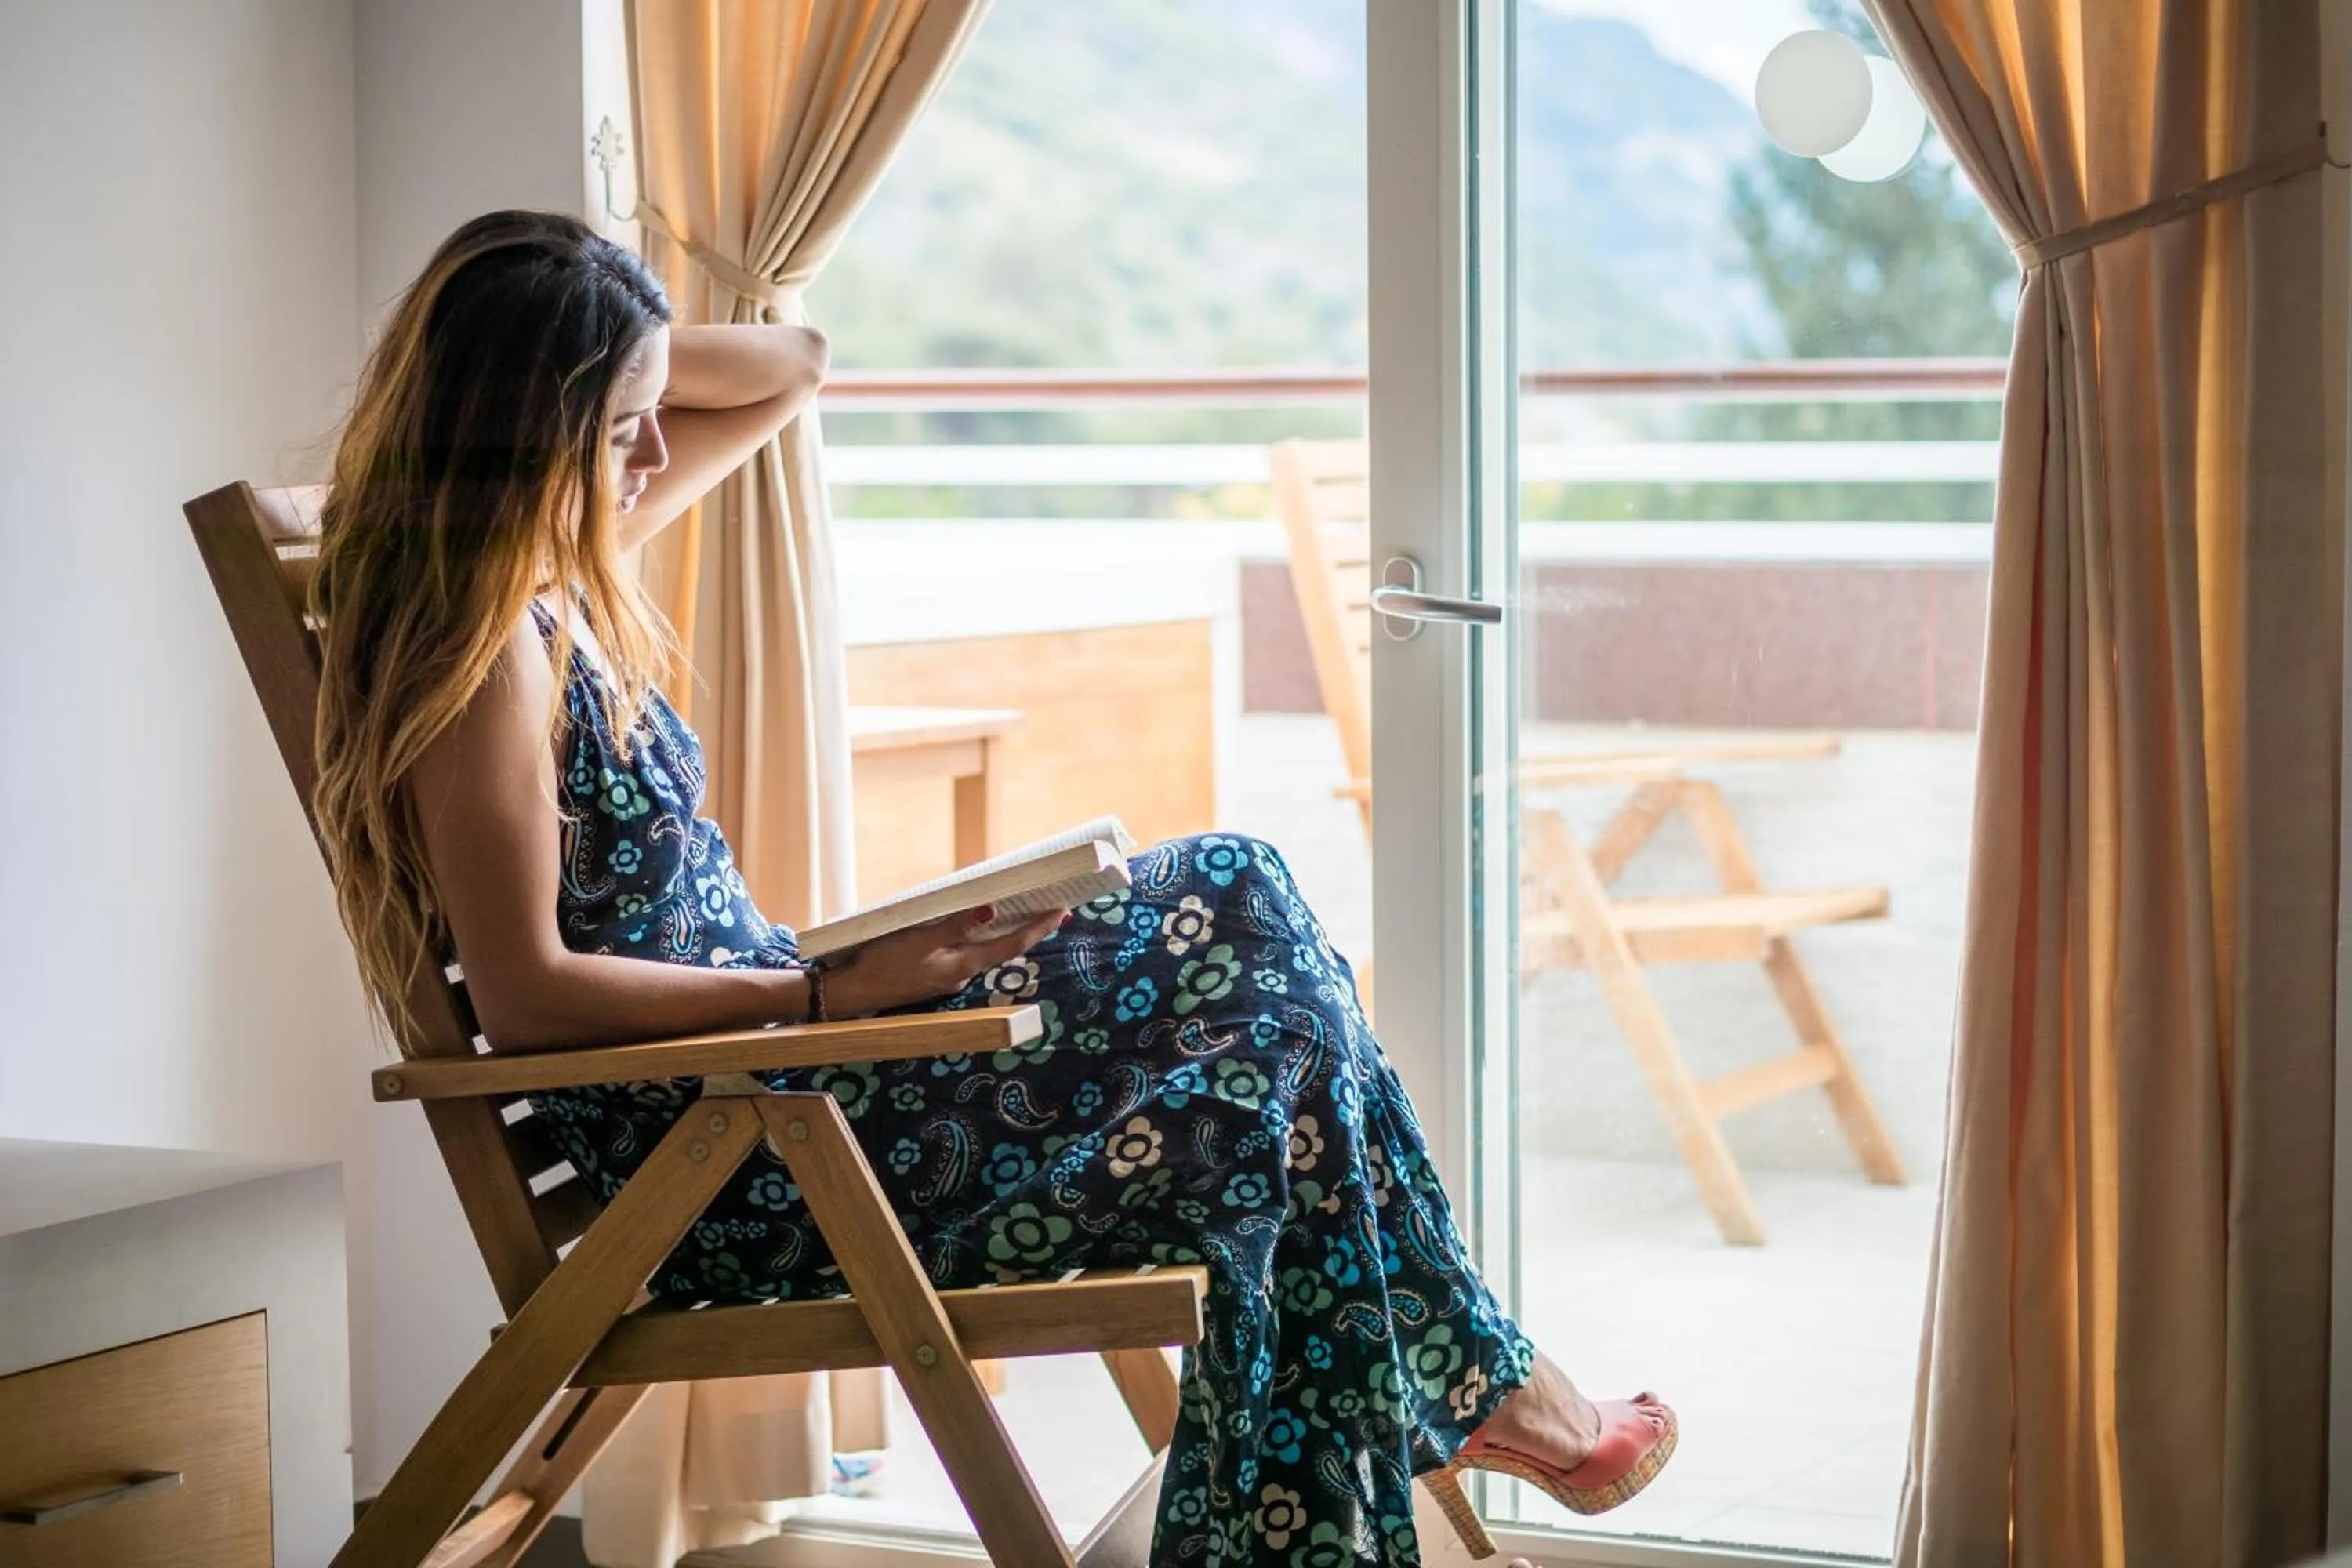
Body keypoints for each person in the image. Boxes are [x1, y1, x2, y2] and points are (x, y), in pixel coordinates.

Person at [310, 209, 1674, 1567]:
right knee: (1267, 1099)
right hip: (741, 1155)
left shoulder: (550, 561)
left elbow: (795, 361)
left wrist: (623, 333)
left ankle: (1457, 1396)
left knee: (1237, 888)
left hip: (801, 1078)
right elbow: (527, 999)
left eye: (653, 418)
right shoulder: (490, 653)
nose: (655, 457)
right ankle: (1474, 1389)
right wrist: (824, 992)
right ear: (517, 438)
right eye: (620, 432)